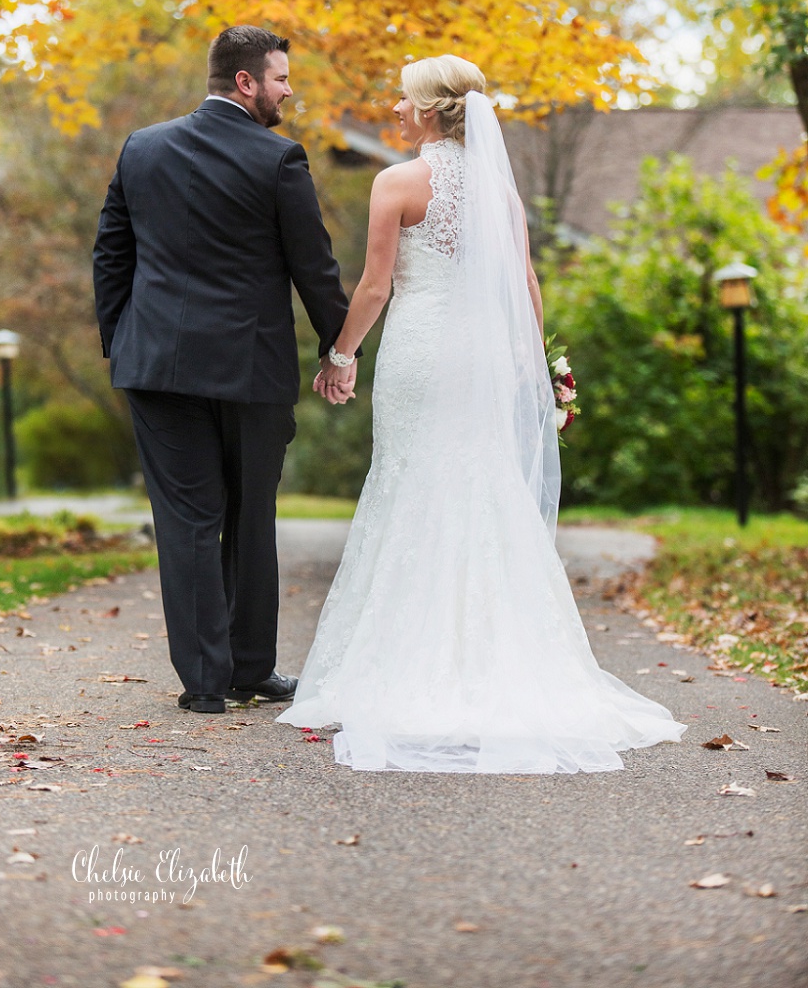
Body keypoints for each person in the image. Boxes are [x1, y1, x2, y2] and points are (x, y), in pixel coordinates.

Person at [278, 54, 687, 773]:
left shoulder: (398, 182)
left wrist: (340, 356)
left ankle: (411, 665)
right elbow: (525, 282)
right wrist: (536, 370)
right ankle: (499, 660)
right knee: (480, 483)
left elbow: (373, 287)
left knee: (412, 483)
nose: (394, 110)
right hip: (485, 356)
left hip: (421, 351)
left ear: (431, 110)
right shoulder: (499, 192)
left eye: (403, 100)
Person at [93, 26, 356, 715]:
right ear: (246, 82)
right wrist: (341, 348)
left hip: (153, 366)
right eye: (281, 78)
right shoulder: (278, 160)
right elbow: (315, 268)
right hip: (249, 369)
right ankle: (249, 671)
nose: (288, 90)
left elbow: (110, 255)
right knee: (248, 519)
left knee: (183, 521)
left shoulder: (141, 148)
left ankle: (206, 684)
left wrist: (120, 342)